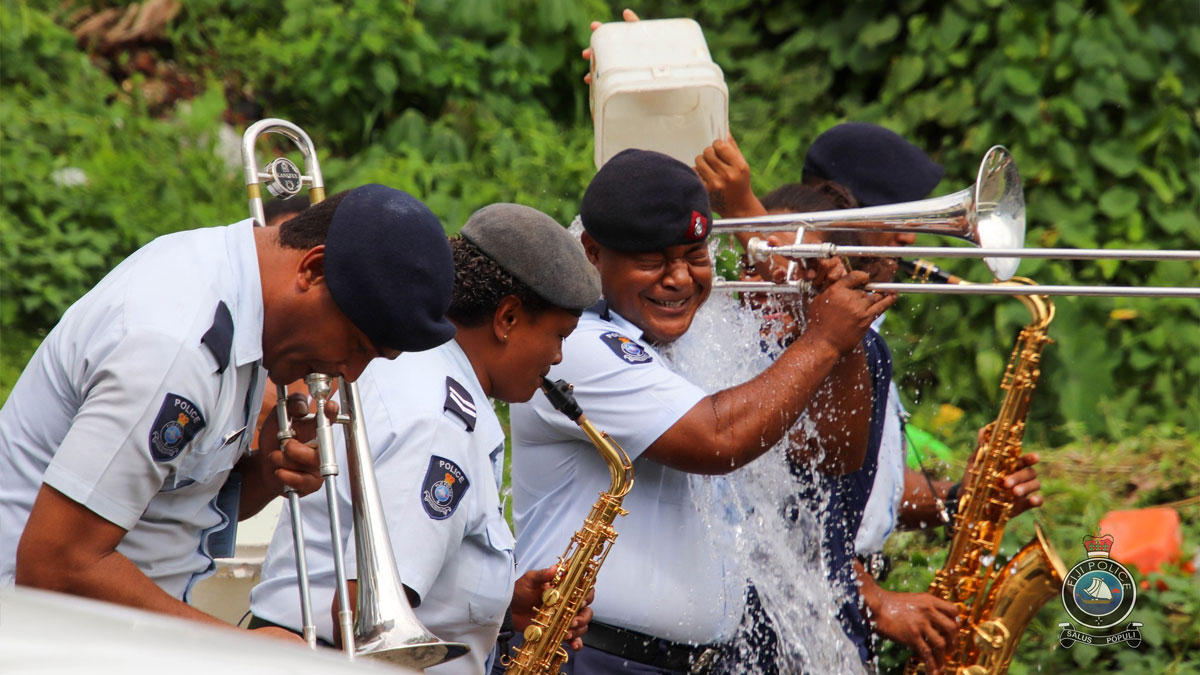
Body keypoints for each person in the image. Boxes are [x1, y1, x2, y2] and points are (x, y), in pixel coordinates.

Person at [0, 184, 456, 640]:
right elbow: (53, 567)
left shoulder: (240, 292)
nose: (351, 374)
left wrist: (264, 478)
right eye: (357, 347)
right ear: (313, 270)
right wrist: (242, 653)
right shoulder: (175, 349)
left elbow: (166, 510)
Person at [509, 149, 895, 674]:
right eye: (652, 260)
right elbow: (718, 440)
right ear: (592, 253)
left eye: (695, 255)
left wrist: (840, 344)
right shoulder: (577, 342)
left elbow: (830, 454)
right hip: (590, 656)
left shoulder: (700, 342)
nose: (680, 279)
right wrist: (823, 340)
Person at [702, 123, 1043, 673]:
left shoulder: (860, 342)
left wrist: (957, 500)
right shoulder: (791, 339)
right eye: (898, 220)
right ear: (842, 221)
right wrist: (876, 599)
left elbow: (867, 494)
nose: (910, 239)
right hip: (801, 603)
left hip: (834, 600)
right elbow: (788, 507)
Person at [249, 204, 602, 673]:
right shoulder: (443, 422)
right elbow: (369, 620)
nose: (558, 357)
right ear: (508, 319)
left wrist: (502, 606)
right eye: (559, 335)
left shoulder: (419, 370)